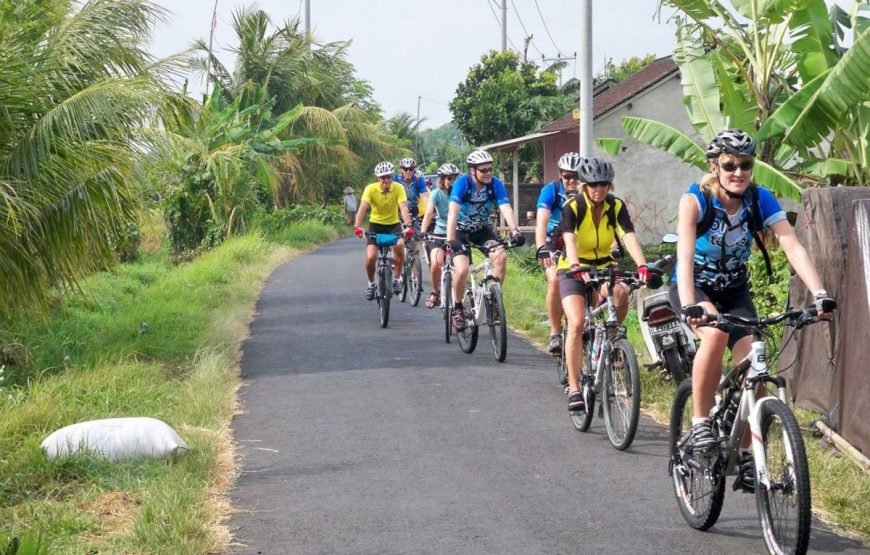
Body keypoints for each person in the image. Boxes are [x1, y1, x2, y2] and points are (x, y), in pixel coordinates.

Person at [671, 130, 834, 477]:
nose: (738, 172)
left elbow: (792, 245)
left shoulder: (759, 199)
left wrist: (819, 294)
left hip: (734, 291)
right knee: (714, 337)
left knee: (754, 360)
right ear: (715, 166)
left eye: (746, 164)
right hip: (695, 289)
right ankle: (700, 421)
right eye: (730, 164)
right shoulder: (696, 200)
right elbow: (683, 257)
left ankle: (745, 453)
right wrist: (689, 304)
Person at [557, 156, 649, 412]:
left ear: (610, 185)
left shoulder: (616, 205)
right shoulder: (573, 206)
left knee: (621, 292)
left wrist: (641, 265)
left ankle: (611, 338)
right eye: (593, 184)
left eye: (604, 185)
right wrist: (576, 266)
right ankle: (575, 388)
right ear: (584, 185)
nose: (599, 190)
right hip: (572, 267)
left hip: (603, 266)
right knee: (576, 322)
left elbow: (628, 235)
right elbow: (570, 239)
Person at [445, 149, 525, 330]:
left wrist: (515, 231)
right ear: (473, 171)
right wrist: (451, 239)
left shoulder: (495, 184)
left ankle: (493, 300)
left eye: (490, 169)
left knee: (501, 258)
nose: (488, 173)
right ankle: (457, 307)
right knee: (463, 269)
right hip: (460, 232)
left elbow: (505, 207)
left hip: (482, 231)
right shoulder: (462, 183)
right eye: (484, 170)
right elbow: (452, 213)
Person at [535, 152, 583, 354]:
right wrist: (541, 248)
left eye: (575, 176)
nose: (571, 181)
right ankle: (555, 333)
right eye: (567, 177)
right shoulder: (551, 191)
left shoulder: (588, 191)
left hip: (579, 242)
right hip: (554, 243)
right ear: (560, 176)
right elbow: (541, 223)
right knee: (555, 281)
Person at [353, 161, 415, 300]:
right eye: (383, 178)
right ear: (378, 178)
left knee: (399, 246)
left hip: (393, 225)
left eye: (389, 177)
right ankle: (371, 284)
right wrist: (357, 226)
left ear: (392, 177)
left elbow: (403, 207)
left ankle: (397, 279)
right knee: (371, 257)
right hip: (375, 225)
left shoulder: (398, 188)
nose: (386, 180)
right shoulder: (370, 189)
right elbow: (363, 208)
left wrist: (408, 225)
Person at [420, 162, 461, 309]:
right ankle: (435, 291)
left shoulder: (462, 193)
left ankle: (459, 300)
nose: (452, 181)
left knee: (460, 268)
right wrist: (423, 231)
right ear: (442, 180)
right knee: (436, 263)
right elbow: (429, 213)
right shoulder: (436, 193)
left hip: (458, 233)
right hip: (440, 234)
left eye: (455, 178)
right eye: (449, 178)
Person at [394, 157, 429, 228]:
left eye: (411, 169)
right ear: (401, 170)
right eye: (405, 169)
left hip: (414, 210)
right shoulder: (396, 179)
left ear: (414, 170)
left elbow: (425, 196)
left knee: (417, 234)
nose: (408, 171)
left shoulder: (419, 180)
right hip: (398, 211)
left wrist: (429, 210)